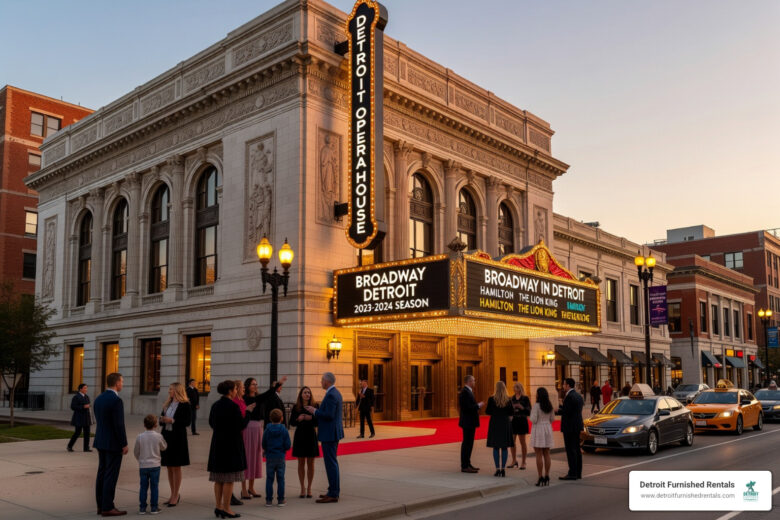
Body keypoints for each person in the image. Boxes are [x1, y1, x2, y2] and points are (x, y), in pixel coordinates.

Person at [208, 380, 250, 519]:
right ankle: (226, 508)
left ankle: (218, 506)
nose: (236, 391)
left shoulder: (215, 405)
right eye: (235, 389)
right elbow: (240, 425)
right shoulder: (233, 406)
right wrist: (248, 413)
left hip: (218, 443)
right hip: (231, 444)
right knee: (229, 479)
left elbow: (211, 423)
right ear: (231, 391)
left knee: (219, 478)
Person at [93, 372, 129, 517]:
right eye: (122, 381)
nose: (123, 384)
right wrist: (124, 443)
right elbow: (119, 424)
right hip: (113, 443)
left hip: (101, 441)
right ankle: (108, 507)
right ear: (117, 383)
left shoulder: (99, 398)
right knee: (110, 475)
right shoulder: (116, 400)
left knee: (102, 473)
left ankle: (101, 506)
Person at [305, 372, 343, 503]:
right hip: (332, 433)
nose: (321, 382)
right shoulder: (334, 393)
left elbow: (329, 415)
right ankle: (333, 490)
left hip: (330, 434)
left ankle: (333, 493)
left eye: (322, 380)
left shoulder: (332, 394)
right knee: (333, 463)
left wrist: (314, 411)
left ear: (327, 381)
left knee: (331, 463)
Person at [159, 382, 191, 507]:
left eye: (171, 389)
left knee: (176, 466)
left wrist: (172, 420)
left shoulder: (185, 405)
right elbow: (162, 420)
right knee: (169, 466)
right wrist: (162, 419)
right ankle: (172, 494)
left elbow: (187, 422)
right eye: (169, 389)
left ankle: (175, 494)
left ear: (177, 391)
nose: (169, 391)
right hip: (166, 436)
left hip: (178, 438)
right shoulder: (168, 404)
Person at [134, 414, 167, 515]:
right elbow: (164, 447)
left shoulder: (140, 437)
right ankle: (154, 507)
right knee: (154, 487)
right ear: (156, 425)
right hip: (155, 465)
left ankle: (142, 508)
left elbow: (136, 451)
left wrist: (140, 459)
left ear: (144, 424)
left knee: (143, 487)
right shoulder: (158, 436)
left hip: (143, 466)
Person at [290, 386, 319, 498]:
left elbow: (318, 421)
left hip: (311, 435)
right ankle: (302, 488)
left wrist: (310, 418)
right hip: (300, 436)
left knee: (311, 463)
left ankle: (309, 488)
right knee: (301, 462)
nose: (307, 394)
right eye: (305, 392)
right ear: (301, 395)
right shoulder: (296, 407)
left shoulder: (315, 406)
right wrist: (299, 419)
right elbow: (292, 422)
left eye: (309, 392)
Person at [230, 380, 255, 506]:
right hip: (238, 434)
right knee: (235, 466)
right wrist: (248, 411)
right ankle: (232, 493)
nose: (244, 389)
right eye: (241, 387)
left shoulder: (241, 400)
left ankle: (233, 493)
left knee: (240, 464)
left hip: (242, 433)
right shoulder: (235, 401)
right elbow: (239, 419)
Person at [240, 378, 264, 500]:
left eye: (256, 384)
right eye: (253, 384)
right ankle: (243, 488)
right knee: (247, 457)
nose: (255, 386)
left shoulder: (259, 398)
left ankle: (251, 487)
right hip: (247, 428)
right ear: (247, 386)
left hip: (257, 427)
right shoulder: (243, 398)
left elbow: (262, 415)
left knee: (255, 457)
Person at [262, 408, 291, 507]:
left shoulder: (267, 429)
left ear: (270, 419)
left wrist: (267, 449)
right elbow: (288, 445)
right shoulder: (284, 430)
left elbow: (263, 443)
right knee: (280, 479)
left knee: (269, 479)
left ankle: (269, 500)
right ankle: (281, 500)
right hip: (280, 457)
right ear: (282, 418)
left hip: (270, 457)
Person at [556, 378, 584, 481]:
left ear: (567, 385)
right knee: (577, 449)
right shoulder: (578, 396)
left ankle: (572, 473)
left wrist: (557, 410)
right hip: (577, 426)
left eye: (563, 384)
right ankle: (578, 472)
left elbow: (566, 411)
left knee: (570, 450)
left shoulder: (569, 396)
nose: (563, 386)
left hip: (569, 427)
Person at [486, 381, 513, 477]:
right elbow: (511, 413)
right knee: (504, 447)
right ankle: (503, 469)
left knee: (496, 447)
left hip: (495, 423)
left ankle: (497, 469)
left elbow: (487, 411)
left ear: (496, 388)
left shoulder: (491, 399)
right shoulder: (508, 399)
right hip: (505, 423)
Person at [529, 387, 555, 487]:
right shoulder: (549, 405)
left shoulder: (536, 406)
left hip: (538, 429)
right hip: (547, 428)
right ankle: (547, 475)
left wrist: (530, 416)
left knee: (539, 454)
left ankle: (540, 477)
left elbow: (534, 419)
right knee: (547, 453)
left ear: (538, 395)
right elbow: (552, 419)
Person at [458, 375, 483, 473]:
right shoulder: (464, 392)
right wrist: (478, 405)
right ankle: (464, 466)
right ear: (468, 381)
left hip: (470, 422)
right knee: (467, 443)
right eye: (473, 380)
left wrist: (476, 406)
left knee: (470, 443)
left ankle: (468, 463)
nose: (474, 382)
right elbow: (466, 408)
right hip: (467, 422)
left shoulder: (469, 391)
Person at [508, 382, 531, 470]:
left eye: (516, 387)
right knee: (512, 442)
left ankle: (523, 462)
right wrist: (512, 408)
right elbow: (509, 410)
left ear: (520, 388)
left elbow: (529, 410)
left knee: (522, 442)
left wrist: (522, 407)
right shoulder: (512, 398)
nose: (514, 389)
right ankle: (514, 460)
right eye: (514, 387)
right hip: (513, 421)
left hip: (522, 421)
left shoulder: (525, 398)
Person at [68, 383, 92, 452]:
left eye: (86, 388)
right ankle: (69, 446)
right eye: (84, 388)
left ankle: (86, 448)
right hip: (79, 418)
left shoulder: (87, 396)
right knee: (77, 432)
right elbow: (73, 407)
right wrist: (83, 407)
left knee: (87, 433)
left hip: (86, 417)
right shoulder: (76, 397)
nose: (86, 389)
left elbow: (88, 405)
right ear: (80, 389)